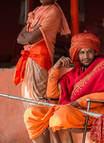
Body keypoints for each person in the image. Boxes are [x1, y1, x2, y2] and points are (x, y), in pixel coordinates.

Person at [24, 32, 104, 143]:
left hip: (90, 113)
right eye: (82, 53)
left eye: (89, 52)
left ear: (95, 53)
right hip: (69, 110)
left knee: (59, 114)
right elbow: (52, 96)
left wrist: (78, 102)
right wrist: (55, 68)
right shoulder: (75, 73)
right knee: (31, 113)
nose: (86, 56)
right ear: (77, 55)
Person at [14, 0, 70, 142]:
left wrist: (28, 34)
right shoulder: (37, 10)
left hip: (40, 60)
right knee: (29, 103)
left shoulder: (54, 11)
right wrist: (28, 35)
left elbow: (30, 37)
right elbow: (19, 39)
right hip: (29, 60)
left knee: (38, 107)